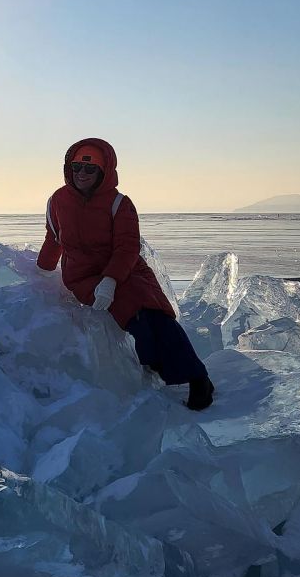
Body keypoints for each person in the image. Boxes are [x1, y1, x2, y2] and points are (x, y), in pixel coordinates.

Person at [37, 137, 215, 410]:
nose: (81, 174)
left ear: (103, 172)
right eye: (76, 168)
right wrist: (40, 271)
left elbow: (127, 247)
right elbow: (54, 239)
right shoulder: (57, 201)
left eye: (90, 169)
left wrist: (111, 280)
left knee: (156, 313)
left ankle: (197, 378)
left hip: (127, 270)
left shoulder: (119, 203)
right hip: (84, 278)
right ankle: (154, 362)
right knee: (136, 318)